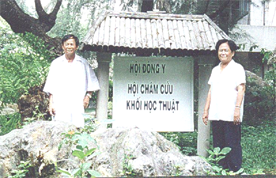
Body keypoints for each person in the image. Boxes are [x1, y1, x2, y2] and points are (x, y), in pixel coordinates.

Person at [202, 39, 246, 172]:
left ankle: (234, 170)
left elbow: (241, 89)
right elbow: (211, 90)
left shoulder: (237, 68)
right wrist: (206, 110)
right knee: (218, 143)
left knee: (232, 143)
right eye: (220, 50)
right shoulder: (215, 70)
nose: (223, 53)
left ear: (232, 53)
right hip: (216, 113)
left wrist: (237, 109)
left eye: (226, 50)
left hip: (231, 113)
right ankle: (221, 170)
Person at [43, 34, 100, 128]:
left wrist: (88, 97)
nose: (69, 47)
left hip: (77, 103)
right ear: (63, 46)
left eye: (71, 44)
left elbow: (92, 81)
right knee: (60, 129)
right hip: (60, 103)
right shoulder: (56, 63)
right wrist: (51, 104)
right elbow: (51, 85)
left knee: (77, 128)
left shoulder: (83, 63)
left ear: (76, 47)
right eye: (67, 44)